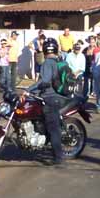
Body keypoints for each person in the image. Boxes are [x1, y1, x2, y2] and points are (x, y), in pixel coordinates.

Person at [25, 38, 66, 166]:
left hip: (50, 98)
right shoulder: (59, 61)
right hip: (58, 97)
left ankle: (58, 157)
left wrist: (28, 90)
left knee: (53, 129)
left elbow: (45, 81)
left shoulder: (47, 63)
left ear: (44, 50)